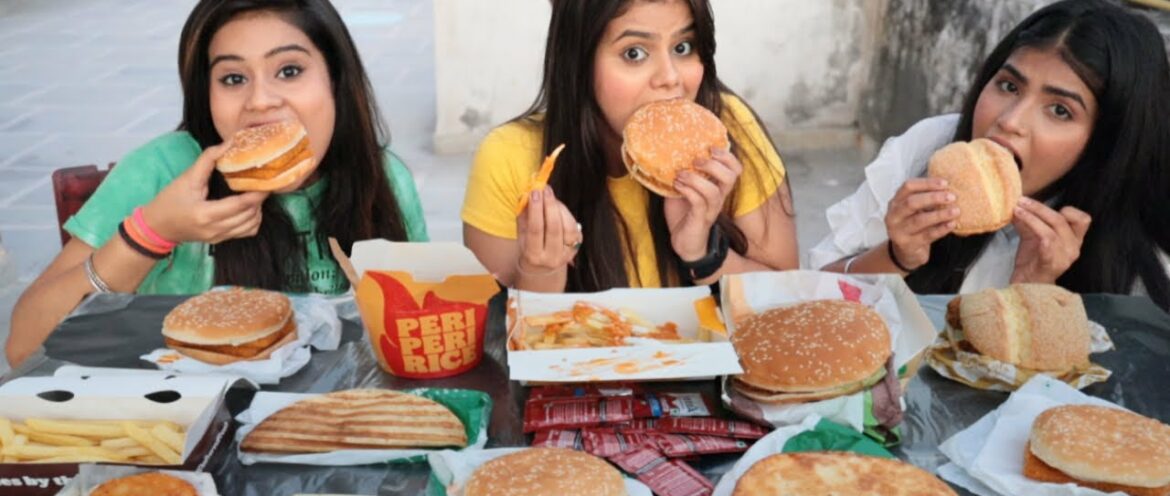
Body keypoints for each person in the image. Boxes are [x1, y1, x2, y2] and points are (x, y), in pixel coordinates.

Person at [4, 0, 428, 368]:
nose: (260, 100)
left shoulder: (382, 178)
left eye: (290, 70)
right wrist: (152, 234)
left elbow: (419, 331)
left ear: (335, 80)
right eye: (233, 78)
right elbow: (23, 347)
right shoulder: (161, 172)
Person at [810, 0, 1170, 310]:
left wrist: (1033, 289)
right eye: (1009, 86)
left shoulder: (1145, 255)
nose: (1009, 121)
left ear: (1109, 140)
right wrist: (895, 256)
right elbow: (807, 298)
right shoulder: (928, 147)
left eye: (1060, 110)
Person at [461, 0, 798, 293]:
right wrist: (540, 271)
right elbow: (496, 341)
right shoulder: (510, 156)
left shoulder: (728, 131)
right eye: (634, 53)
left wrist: (705, 254)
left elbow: (786, 298)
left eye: (683, 47)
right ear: (578, 63)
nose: (670, 77)